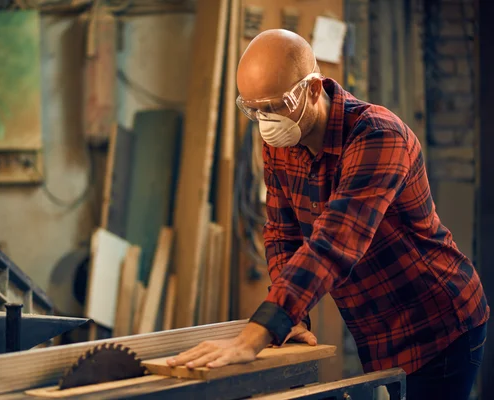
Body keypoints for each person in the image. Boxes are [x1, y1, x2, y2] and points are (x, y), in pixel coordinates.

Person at [166, 29, 489, 399]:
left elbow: (335, 242)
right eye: (253, 109)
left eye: (275, 106)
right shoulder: (281, 138)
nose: (265, 120)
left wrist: (258, 333)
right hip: (376, 327)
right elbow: (281, 233)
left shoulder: (379, 137)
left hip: (437, 324)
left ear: (314, 90)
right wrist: (294, 320)